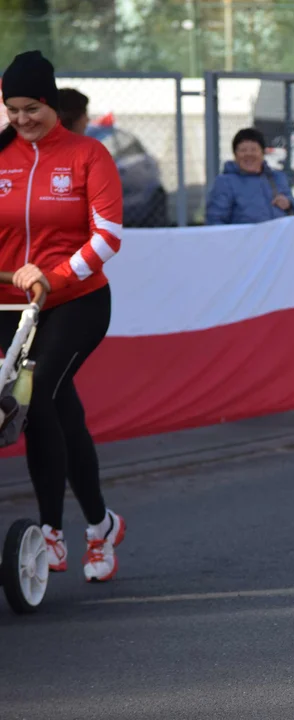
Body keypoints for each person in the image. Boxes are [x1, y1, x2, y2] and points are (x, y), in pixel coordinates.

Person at [0, 50, 127, 582]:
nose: (23, 119)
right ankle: (100, 525)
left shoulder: (87, 155)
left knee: (39, 392)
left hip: (77, 301)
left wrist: (54, 274)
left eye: (32, 107)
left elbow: (109, 237)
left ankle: (54, 532)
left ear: (51, 102)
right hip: (10, 305)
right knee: (50, 410)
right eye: (13, 110)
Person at [205, 128, 294, 224]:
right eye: (243, 150)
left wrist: (289, 204)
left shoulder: (277, 178)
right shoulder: (225, 182)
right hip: (243, 240)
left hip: (279, 239)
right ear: (235, 155)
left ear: (262, 153)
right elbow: (215, 220)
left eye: (254, 149)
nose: (249, 154)